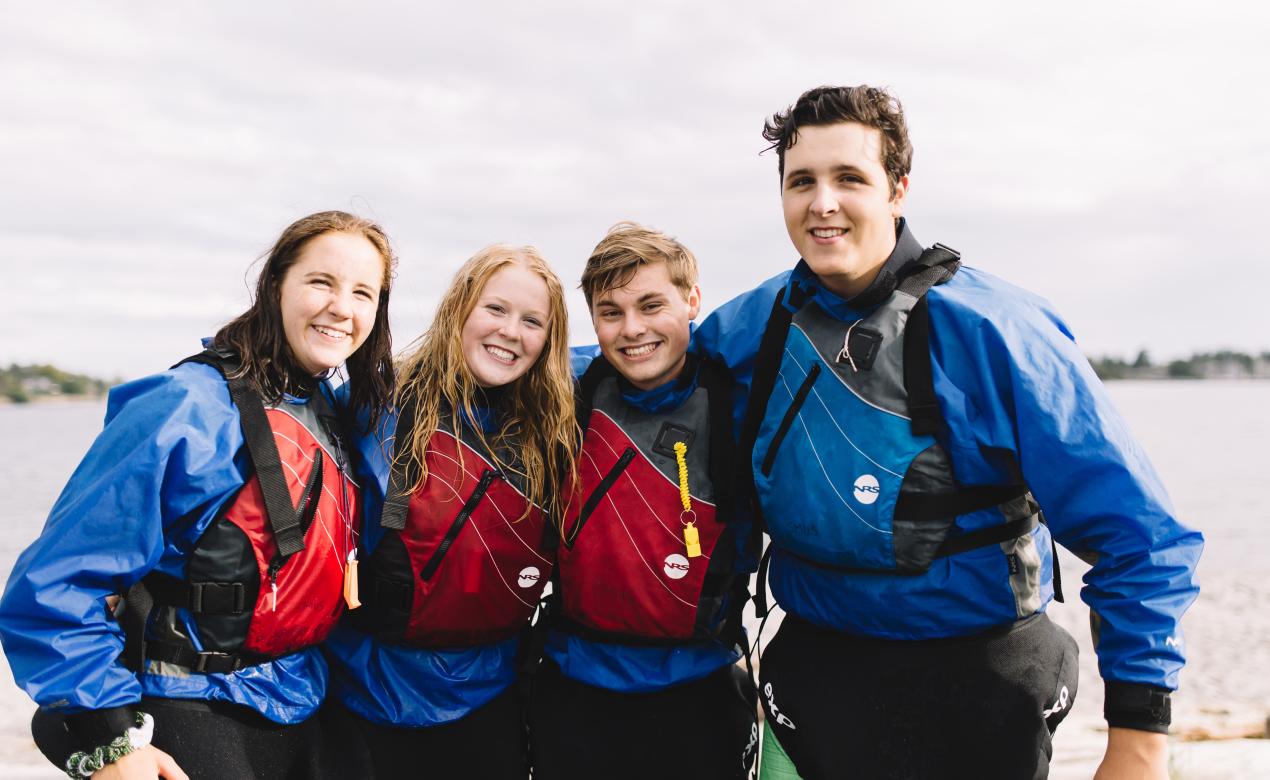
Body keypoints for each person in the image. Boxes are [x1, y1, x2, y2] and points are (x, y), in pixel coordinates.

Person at [694, 85, 1204, 779]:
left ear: (898, 189)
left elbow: (1141, 538)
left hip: (980, 680)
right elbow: (632, 372)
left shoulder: (998, 331)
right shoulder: (749, 329)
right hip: (814, 678)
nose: (822, 203)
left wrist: (1139, 739)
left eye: (850, 178)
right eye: (801, 181)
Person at [0, 210, 397, 780]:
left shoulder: (333, 411)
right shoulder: (188, 405)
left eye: (364, 292)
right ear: (276, 285)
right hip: (190, 703)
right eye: (321, 282)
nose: (343, 307)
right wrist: (114, 741)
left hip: (300, 700)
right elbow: (56, 583)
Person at [321, 244, 576, 778]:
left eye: (533, 321)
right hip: (366, 697)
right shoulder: (375, 404)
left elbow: (638, 348)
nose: (510, 331)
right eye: (496, 309)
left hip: (490, 707)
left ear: (549, 342)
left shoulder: (552, 428)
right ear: (459, 307)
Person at [528, 223, 758, 779]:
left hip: (698, 689)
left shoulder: (739, 396)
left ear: (692, 300)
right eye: (611, 312)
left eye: (652, 305)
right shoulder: (570, 390)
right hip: (575, 687)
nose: (633, 330)